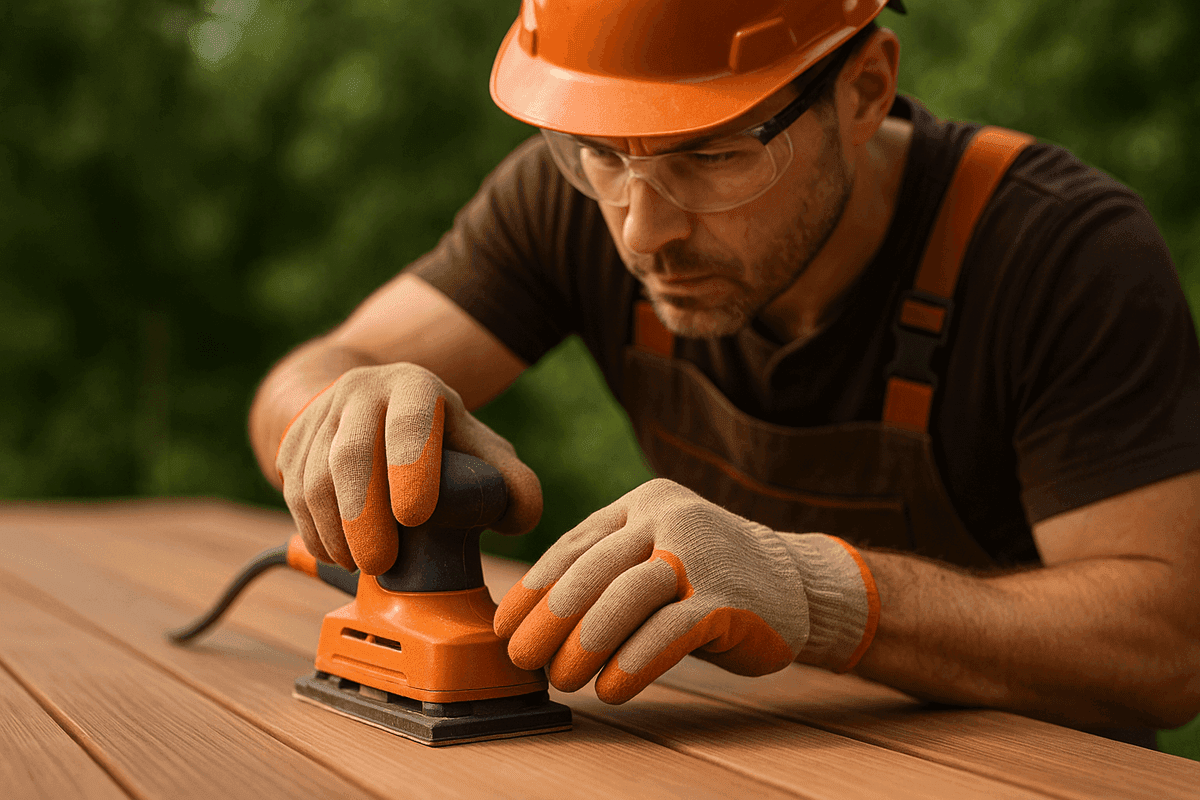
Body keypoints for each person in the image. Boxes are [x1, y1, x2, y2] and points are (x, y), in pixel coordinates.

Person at [249, 0, 1200, 746]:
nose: (640, 229)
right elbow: (312, 375)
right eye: (600, 157)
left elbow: (1169, 644)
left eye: (709, 156)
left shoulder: (1060, 252)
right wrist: (343, 409)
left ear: (864, 89)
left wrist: (817, 590)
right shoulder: (573, 197)